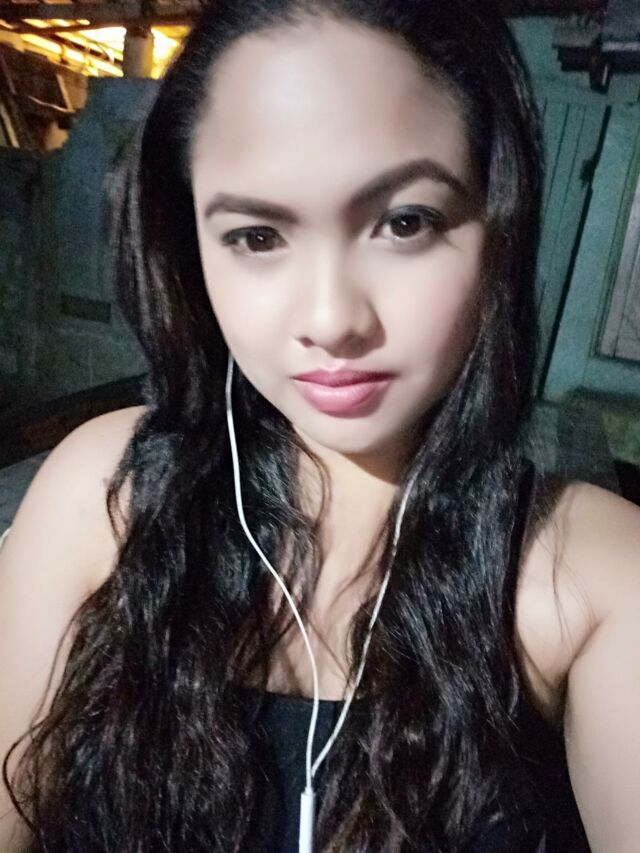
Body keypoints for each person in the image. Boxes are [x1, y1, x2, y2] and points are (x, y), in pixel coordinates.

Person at [1, 0, 639, 850]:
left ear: (498, 225)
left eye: (405, 222)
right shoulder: (103, 496)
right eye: (257, 236)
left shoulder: (591, 572)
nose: (332, 319)